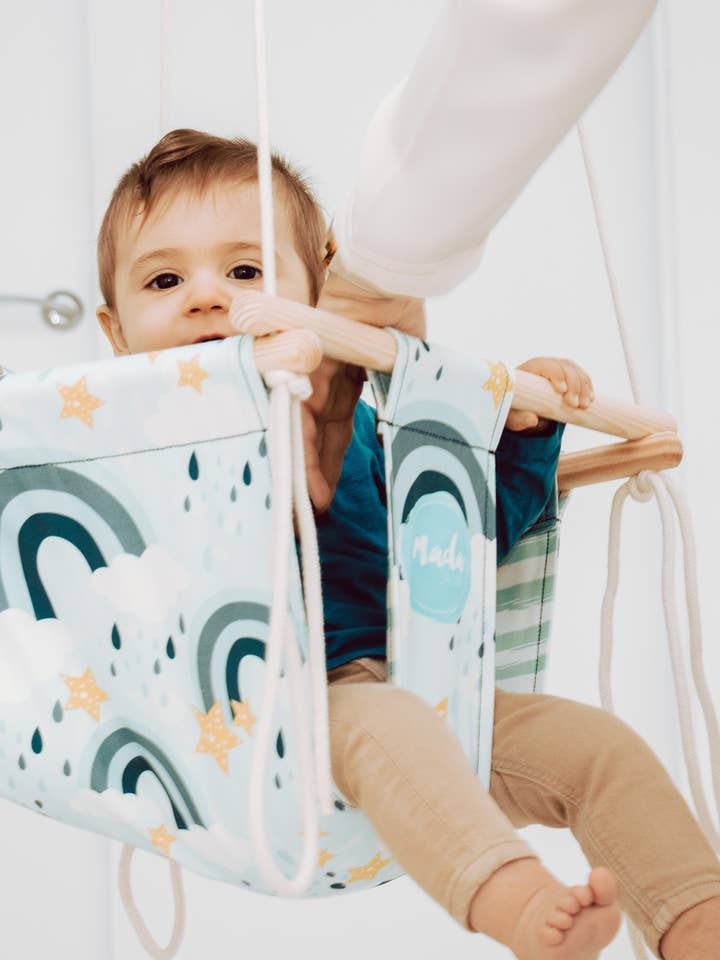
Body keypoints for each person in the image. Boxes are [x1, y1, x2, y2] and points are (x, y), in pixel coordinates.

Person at [96, 129, 720, 959]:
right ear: (115, 330)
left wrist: (522, 432)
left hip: (421, 697)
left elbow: (459, 540)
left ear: (321, 297)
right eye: (166, 279)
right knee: (382, 717)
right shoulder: (124, 442)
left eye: (247, 272)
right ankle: (518, 902)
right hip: (262, 722)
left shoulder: (359, 427)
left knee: (596, 746)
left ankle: (693, 920)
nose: (209, 297)